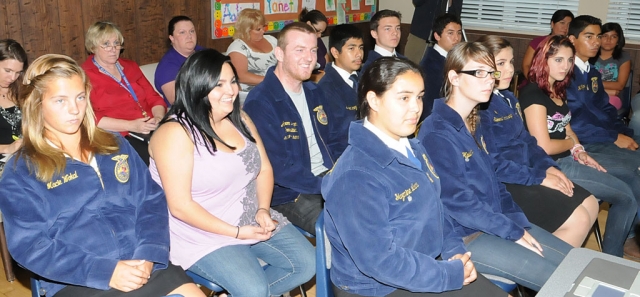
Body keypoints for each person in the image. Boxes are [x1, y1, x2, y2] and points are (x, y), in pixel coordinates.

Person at [0, 54, 204, 297]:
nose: (74, 109)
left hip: (142, 262)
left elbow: (150, 200)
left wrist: (149, 253)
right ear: (37, 104)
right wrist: (106, 271)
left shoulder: (115, 144)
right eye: (60, 101)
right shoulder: (20, 171)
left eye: (80, 97)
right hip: (78, 278)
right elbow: (31, 246)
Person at [322, 57, 506, 297]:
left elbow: (437, 208)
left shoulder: (413, 147)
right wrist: (448, 274)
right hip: (379, 287)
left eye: (419, 96)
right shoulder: (356, 175)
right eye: (404, 98)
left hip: (424, 262)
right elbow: (379, 261)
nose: (416, 107)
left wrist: (454, 251)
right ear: (373, 100)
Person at [149, 49, 315, 296]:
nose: (231, 91)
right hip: (200, 232)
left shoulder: (240, 118)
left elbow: (264, 168)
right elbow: (180, 207)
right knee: (255, 290)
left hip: (247, 215)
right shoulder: (175, 134)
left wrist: (262, 209)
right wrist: (237, 232)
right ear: (197, 87)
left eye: (233, 81)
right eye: (219, 85)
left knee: (306, 264)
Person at [418, 42, 572, 291]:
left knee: (573, 263)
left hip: (493, 222)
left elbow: (494, 180)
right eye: (479, 73)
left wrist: (516, 222)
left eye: (491, 73)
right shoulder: (436, 132)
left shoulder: (472, 121)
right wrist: (510, 230)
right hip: (466, 235)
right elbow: (458, 202)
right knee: (562, 283)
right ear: (454, 78)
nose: (489, 80)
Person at [516, 35, 638, 257]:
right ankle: (611, 259)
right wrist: (571, 144)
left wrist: (580, 151)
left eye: (570, 60)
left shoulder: (557, 89)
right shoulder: (532, 93)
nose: (566, 66)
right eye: (558, 60)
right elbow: (543, 146)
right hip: (553, 165)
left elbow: (567, 127)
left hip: (569, 158)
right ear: (543, 60)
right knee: (626, 197)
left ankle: (613, 255)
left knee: (630, 180)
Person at [476, 35, 599, 249]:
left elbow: (529, 143)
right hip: (505, 182)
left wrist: (549, 168)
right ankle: (546, 274)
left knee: (590, 204)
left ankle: (557, 266)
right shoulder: (480, 107)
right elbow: (492, 164)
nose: (510, 70)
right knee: (578, 219)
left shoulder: (508, 98)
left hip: (527, 171)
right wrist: (538, 177)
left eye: (511, 62)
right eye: (501, 63)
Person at [243, 22, 336, 235]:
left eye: (313, 50)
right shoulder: (261, 102)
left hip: (325, 175)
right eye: (299, 50)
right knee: (343, 228)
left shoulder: (315, 92)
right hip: (288, 192)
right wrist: (327, 185)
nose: (309, 57)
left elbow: (332, 140)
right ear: (280, 54)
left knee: (375, 207)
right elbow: (279, 168)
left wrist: (342, 173)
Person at [567, 15, 640, 259]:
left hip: (602, 137)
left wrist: (624, 133)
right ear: (572, 39)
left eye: (598, 36)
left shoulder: (592, 73)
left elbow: (607, 111)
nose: (597, 41)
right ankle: (623, 243)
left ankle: (628, 236)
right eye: (589, 36)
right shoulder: (566, 74)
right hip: (584, 143)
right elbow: (575, 123)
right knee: (634, 172)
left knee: (637, 164)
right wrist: (613, 137)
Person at [81, 21, 167, 165]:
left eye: (116, 43)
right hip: (119, 135)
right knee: (156, 160)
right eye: (106, 44)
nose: (113, 49)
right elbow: (90, 118)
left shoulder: (130, 66)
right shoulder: (84, 75)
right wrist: (131, 125)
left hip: (150, 127)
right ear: (93, 47)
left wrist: (158, 118)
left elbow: (154, 98)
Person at [317, 24, 364, 157]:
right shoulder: (326, 88)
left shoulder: (363, 79)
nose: (359, 54)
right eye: (351, 48)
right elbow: (332, 139)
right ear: (335, 52)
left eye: (361, 47)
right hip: (346, 155)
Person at [420, 13, 463, 120]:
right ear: (437, 36)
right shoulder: (430, 65)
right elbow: (429, 104)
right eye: (450, 33)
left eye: (459, 33)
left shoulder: (452, 58)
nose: (456, 38)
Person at [155, 15, 205, 105]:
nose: (189, 36)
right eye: (182, 32)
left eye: (192, 31)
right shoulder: (167, 67)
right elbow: (178, 102)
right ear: (172, 38)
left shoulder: (204, 52)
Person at [227, 8, 277, 92]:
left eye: (263, 27)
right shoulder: (238, 47)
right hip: (252, 93)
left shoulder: (271, 39)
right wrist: (272, 80)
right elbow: (241, 76)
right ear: (246, 29)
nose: (263, 31)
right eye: (258, 29)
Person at [521, 9, 574, 80]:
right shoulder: (538, 41)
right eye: (562, 23)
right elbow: (526, 65)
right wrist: (534, 83)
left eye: (569, 25)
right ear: (552, 24)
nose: (565, 28)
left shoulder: (570, 46)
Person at [405, 0, 463, 64]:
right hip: (419, 32)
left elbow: (456, 14)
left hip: (442, 36)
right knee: (410, 66)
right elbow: (417, 2)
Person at [594, 22, 631, 110]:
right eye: (605, 36)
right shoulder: (590, 54)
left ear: (618, 41)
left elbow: (620, 85)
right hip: (592, 94)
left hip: (613, 98)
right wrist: (608, 90)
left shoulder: (624, 57)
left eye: (613, 37)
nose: (608, 40)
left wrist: (593, 84)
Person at [0, 39, 27, 157]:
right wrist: (7, 148)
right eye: (8, 71)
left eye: (18, 72)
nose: (12, 78)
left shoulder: (21, 90)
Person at [361, 10, 405, 74]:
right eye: (388, 29)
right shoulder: (371, 67)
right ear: (374, 34)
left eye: (397, 28)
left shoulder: (404, 60)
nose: (395, 33)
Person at [299, 8, 329, 74]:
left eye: (322, 32)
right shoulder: (298, 42)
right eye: (317, 31)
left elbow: (327, 61)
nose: (319, 35)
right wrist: (316, 78)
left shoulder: (318, 40)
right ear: (308, 24)